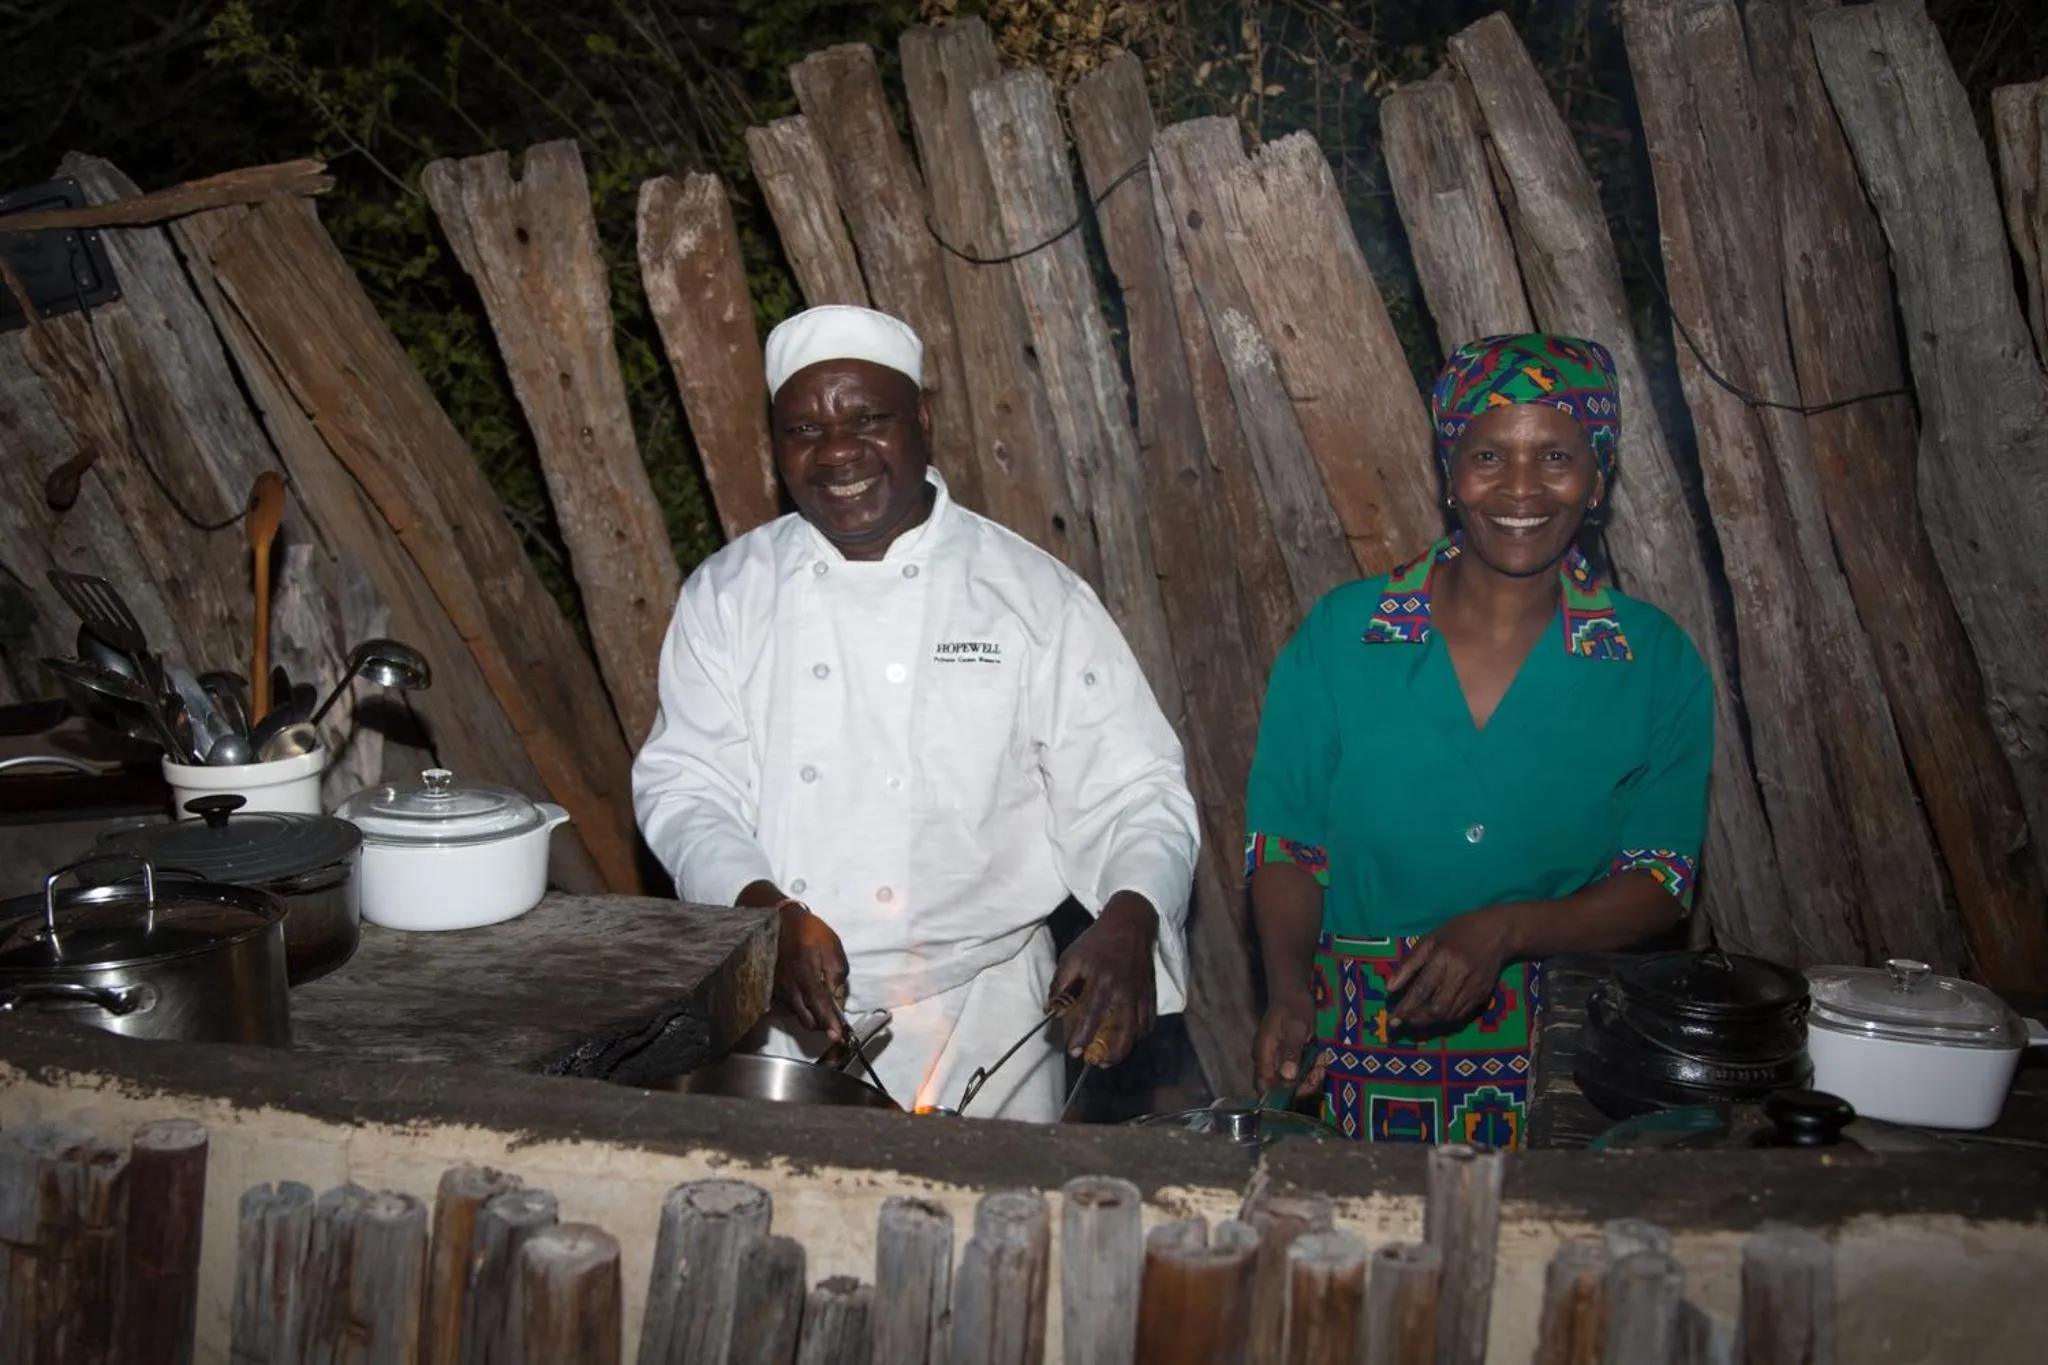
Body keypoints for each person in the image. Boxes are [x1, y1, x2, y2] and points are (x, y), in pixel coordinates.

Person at [632, 304, 1198, 1122]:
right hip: (785, 1014)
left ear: (922, 419)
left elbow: (1134, 788)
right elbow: (686, 785)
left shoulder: (1029, 595)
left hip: (986, 1018)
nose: (836, 453)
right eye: (803, 429)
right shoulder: (729, 594)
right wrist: (764, 911)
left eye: (866, 418)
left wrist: (1132, 911)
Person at [1243, 333, 1712, 1147]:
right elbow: (1286, 845)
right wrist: (1290, 992)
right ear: (1450, 475)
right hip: (1360, 1054)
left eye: (1556, 456)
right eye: (1489, 454)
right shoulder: (1343, 636)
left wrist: (1509, 927)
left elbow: (1662, 881)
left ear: (1597, 479)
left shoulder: (1651, 662)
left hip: (1564, 1068)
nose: (1522, 488)